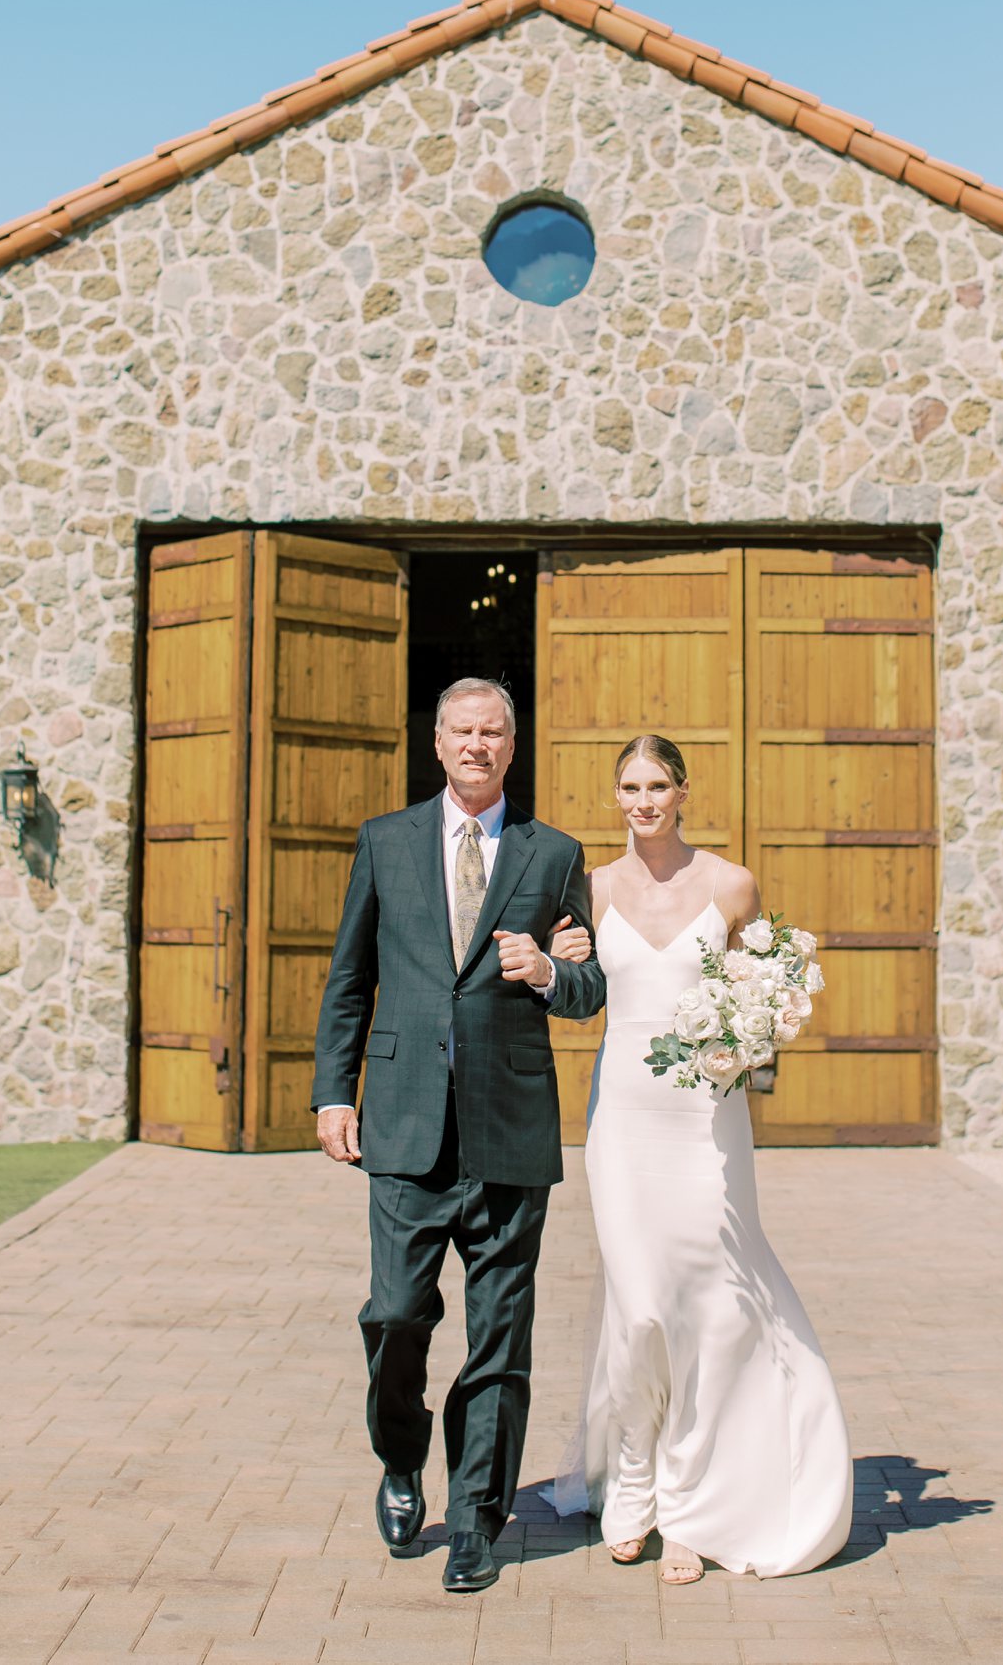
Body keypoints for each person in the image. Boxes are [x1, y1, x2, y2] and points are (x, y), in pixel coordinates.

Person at [312, 678, 606, 1595]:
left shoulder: (555, 853)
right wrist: (334, 1094)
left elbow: (590, 988)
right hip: (403, 1124)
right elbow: (350, 977)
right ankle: (401, 1460)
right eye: (461, 731)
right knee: (396, 1314)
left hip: (510, 1126)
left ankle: (478, 1516)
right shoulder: (385, 841)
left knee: (499, 1336)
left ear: (512, 747)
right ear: (436, 743)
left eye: (493, 732)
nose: (477, 745)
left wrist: (549, 971)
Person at [546, 733, 853, 1583]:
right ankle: (630, 1481)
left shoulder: (731, 885)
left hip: (706, 1122)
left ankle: (686, 1507)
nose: (643, 801)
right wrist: (562, 966)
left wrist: (759, 1035)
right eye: (629, 788)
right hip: (623, 1122)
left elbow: (768, 989)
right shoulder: (590, 888)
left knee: (710, 1310)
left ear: (683, 791)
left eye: (657, 786)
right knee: (641, 1307)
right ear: (616, 797)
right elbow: (576, 993)